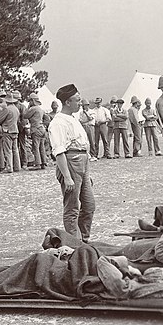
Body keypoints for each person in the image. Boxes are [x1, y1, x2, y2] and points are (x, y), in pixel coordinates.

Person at [48, 84, 96, 242]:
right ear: (67, 102)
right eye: (77, 100)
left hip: (82, 162)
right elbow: (59, 151)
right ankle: (74, 243)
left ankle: (84, 239)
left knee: (89, 205)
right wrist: (67, 177)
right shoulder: (58, 122)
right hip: (70, 162)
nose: (80, 103)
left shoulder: (74, 119)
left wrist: (87, 173)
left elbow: (83, 147)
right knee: (72, 207)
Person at [0, 91, 21, 174]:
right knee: (15, 149)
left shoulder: (7, 109)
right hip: (15, 130)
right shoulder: (16, 109)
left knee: (8, 150)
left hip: (7, 130)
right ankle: (17, 166)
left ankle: (9, 167)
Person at [24, 92, 48, 169]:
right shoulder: (40, 109)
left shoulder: (33, 109)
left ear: (32, 101)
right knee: (42, 147)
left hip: (36, 128)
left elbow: (25, 115)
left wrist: (28, 107)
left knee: (36, 147)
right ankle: (44, 163)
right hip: (42, 128)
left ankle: (37, 164)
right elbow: (47, 118)